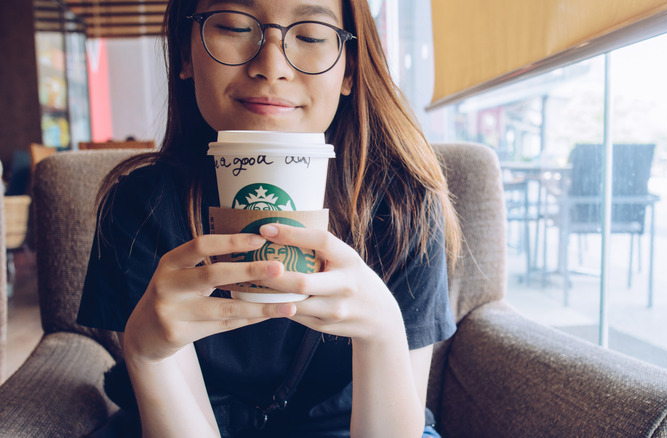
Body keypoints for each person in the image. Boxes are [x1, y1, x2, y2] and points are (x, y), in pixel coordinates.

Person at [76, 0, 461, 437]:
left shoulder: (404, 207)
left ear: (349, 70)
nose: (271, 66)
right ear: (185, 53)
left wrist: (383, 331)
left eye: (312, 35)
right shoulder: (137, 207)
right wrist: (148, 356)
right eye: (235, 27)